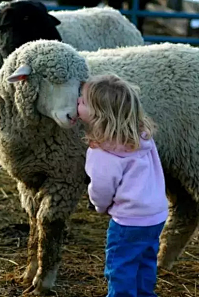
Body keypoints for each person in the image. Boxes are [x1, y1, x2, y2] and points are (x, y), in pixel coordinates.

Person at [77, 74, 168, 297]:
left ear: (99, 115)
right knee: (145, 262)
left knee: (120, 268)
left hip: (128, 221)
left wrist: (99, 206)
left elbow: (101, 189)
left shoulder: (102, 152)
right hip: (155, 215)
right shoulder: (141, 137)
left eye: (83, 101)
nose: (77, 101)